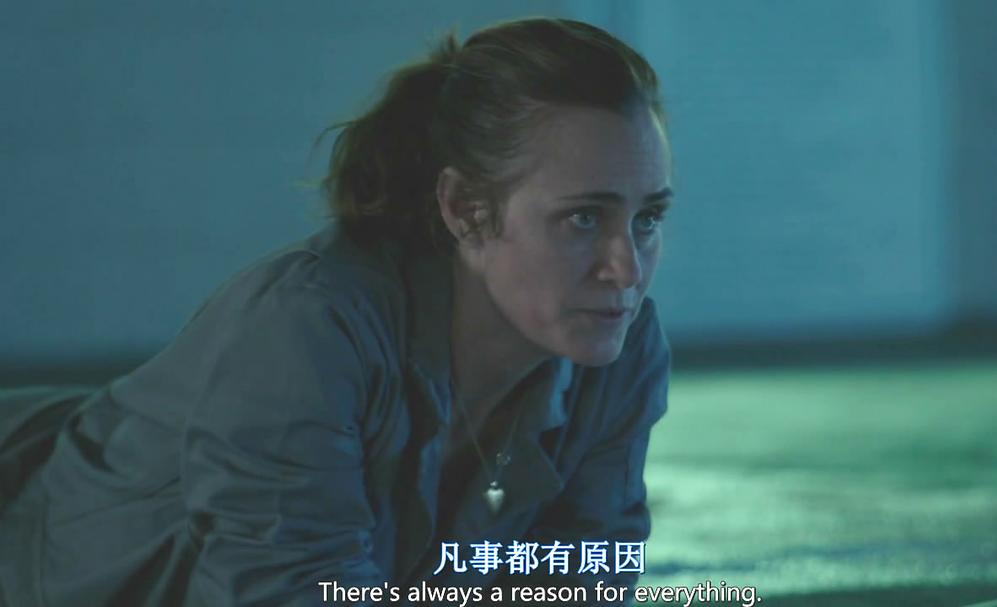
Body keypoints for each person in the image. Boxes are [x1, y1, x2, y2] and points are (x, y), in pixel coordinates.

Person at [0, 16, 673, 607]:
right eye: (584, 218)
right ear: (466, 209)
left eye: (647, 218)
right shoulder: (308, 329)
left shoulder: (618, 349)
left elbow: (583, 575)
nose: (626, 269)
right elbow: (288, 588)